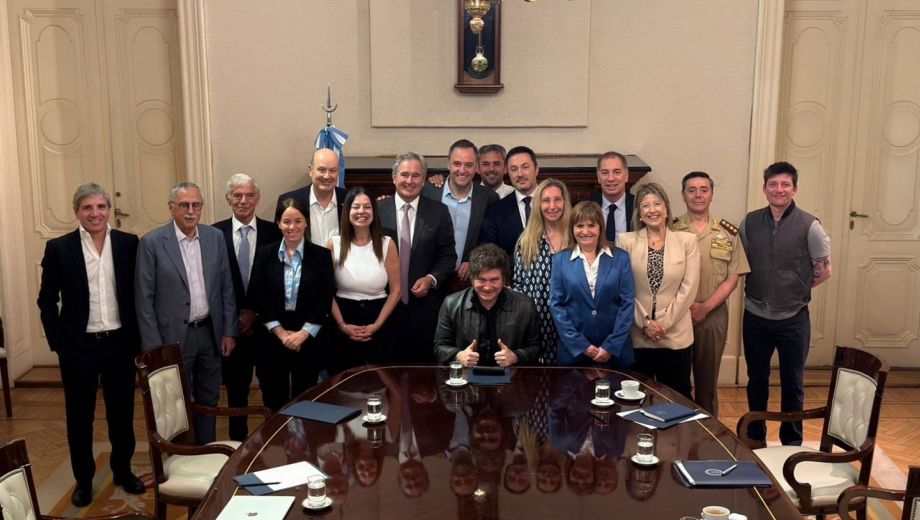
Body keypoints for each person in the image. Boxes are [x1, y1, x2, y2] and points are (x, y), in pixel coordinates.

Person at [37, 183, 145, 506]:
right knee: (80, 417)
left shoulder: (128, 244)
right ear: (77, 213)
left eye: (100, 207)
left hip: (119, 344)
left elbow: (137, 294)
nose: (95, 213)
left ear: (109, 210)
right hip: (79, 348)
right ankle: (83, 480)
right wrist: (60, 344)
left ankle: (123, 470)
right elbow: (46, 301)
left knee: (122, 414)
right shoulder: (59, 248)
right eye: (88, 208)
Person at [135, 181, 237, 444]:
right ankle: (180, 458)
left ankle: (207, 454)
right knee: (173, 403)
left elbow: (226, 288)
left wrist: (228, 331)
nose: (191, 211)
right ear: (172, 208)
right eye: (184, 205)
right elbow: (143, 299)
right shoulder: (152, 243)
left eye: (196, 205)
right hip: (172, 339)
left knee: (209, 399)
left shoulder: (214, 238)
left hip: (209, 333)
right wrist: (154, 348)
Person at [740, 161, 831, 447]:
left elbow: (824, 269)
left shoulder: (809, 225)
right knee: (757, 380)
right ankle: (756, 439)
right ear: (765, 188)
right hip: (755, 316)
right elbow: (740, 262)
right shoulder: (750, 222)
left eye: (785, 185)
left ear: (794, 189)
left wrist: (797, 288)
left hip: (793, 319)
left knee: (793, 384)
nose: (779, 190)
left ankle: (792, 443)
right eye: (773, 184)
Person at [673, 171, 749, 417]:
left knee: (707, 386)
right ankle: (678, 437)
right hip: (677, 316)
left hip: (713, 316)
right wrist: (686, 308)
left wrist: (704, 308)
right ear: (683, 195)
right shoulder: (671, 230)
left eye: (704, 189)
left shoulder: (727, 233)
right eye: (691, 190)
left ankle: (707, 441)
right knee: (677, 384)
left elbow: (733, 277)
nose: (698, 195)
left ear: (712, 194)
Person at [212, 173, 282, 439]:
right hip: (231, 331)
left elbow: (279, 282)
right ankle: (237, 451)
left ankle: (275, 446)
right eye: (237, 196)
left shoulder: (274, 233)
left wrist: (256, 313)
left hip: (266, 328)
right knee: (236, 396)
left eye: (249, 195)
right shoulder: (213, 234)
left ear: (257, 198)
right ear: (228, 199)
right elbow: (213, 284)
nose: (243, 201)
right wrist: (234, 318)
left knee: (273, 392)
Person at [250, 198, 336, 411]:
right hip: (271, 337)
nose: (292, 227)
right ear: (278, 223)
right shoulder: (264, 254)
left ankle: (302, 444)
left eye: (298, 221)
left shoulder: (322, 256)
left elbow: (325, 298)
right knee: (274, 399)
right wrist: (281, 333)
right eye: (286, 221)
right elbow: (258, 295)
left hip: (308, 338)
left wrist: (303, 334)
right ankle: (277, 443)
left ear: (306, 222)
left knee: (305, 400)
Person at [617, 183, 699, 399]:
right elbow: (624, 289)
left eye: (657, 204)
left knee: (677, 399)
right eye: (646, 206)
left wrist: (663, 324)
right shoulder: (626, 242)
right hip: (638, 335)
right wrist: (645, 323)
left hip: (675, 336)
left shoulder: (687, 241)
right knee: (636, 400)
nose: (652, 209)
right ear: (640, 214)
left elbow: (689, 287)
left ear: (666, 208)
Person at [378, 152, 457, 363]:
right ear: (394, 177)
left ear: (424, 180)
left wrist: (431, 279)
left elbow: (448, 256)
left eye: (416, 175)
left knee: (422, 384)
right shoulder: (376, 211)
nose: (409, 181)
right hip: (383, 311)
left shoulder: (439, 212)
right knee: (387, 380)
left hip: (424, 313)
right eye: (404, 174)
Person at [550, 201, 635, 367]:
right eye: (579, 226)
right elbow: (556, 306)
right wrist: (582, 346)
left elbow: (627, 303)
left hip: (615, 353)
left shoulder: (620, 258)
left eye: (591, 225)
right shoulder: (560, 260)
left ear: (600, 228)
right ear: (572, 229)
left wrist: (611, 346)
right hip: (574, 353)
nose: (585, 231)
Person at [327, 187, 401, 371]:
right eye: (356, 207)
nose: (361, 212)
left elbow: (396, 290)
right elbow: (325, 291)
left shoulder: (387, 244)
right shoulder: (334, 244)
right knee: (344, 384)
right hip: (343, 318)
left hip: (380, 318)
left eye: (367, 207)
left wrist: (376, 325)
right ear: (348, 211)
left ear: (374, 212)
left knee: (381, 382)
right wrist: (343, 325)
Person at [434, 244, 541, 367]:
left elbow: (536, 348)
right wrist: (458, 356)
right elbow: (439, 347)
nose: (487, 287)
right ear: (472, 278)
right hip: (466, 378)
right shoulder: (451, 304)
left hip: (511, 379)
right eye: (481, 280)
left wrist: (516, 356)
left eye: (494, 280)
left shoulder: (525, 305)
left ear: (504, 280)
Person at [512, 178, 572, 365]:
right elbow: (519, 286)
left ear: (565, 202)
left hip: (571, 324)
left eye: (557, 200)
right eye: (546, 201)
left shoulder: (577, 237)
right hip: (536, 325)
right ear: (538, 204)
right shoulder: (527, 240)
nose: (552, 206)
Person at [422, 139, 499, 283]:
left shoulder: (489, 198)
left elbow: (490, 240)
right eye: (457, 164)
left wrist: (475, 260)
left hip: (467, 281)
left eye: (468, 165)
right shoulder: (427, 192)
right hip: (428, 279)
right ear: (448, 164)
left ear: (476, 167)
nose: (462, 170)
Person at [275, 148, 347, 246]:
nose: (327, 176)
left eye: (332, 170)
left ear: (338, 171)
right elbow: (279, 244)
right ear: (310, 170)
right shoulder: (289, 200)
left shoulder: (350, 200)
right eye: (321, 170)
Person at [479, 145, 540, 259]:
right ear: (507, 171)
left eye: (525, 167)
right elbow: (490, 256)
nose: (520, 174)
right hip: (511, 275)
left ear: (536, 169)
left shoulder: (554, 203)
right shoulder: (495, 212)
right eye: (514, 169)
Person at [592, 151, 635, 242]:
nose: (610, 178)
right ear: (598, 177)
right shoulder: (588, 206)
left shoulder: (637, 206)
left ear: (626, 176)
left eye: (617, 172)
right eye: (605, 173)